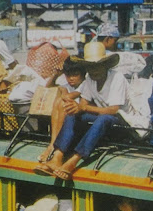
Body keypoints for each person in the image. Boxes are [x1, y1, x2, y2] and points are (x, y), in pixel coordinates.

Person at [34, 42, 132, 181]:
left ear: (105, 65)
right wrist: (76, 108)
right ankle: (57, 156)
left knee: (103, 119)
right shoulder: (90, 79)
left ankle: (74, 160)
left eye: (97, 65)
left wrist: (83, 107)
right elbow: (83, 103)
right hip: (101, 118)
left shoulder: (117, 78)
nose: (94, 70)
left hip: (121, 122)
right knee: (73, 114)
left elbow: (113, 110)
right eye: (91, 66)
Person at [37, 58, 86, 164]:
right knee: (59, 101)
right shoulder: (69, 84)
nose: (71, 78)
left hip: (81, 117)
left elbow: (68, 97)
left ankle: (54, 145)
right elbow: (48, 86)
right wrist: (56, 75)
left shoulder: (85, 85)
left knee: (62, 101)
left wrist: (62, 89)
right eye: (68, 75)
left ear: (82, 74)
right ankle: (53, 143)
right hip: (67, 116)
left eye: (75, 75)